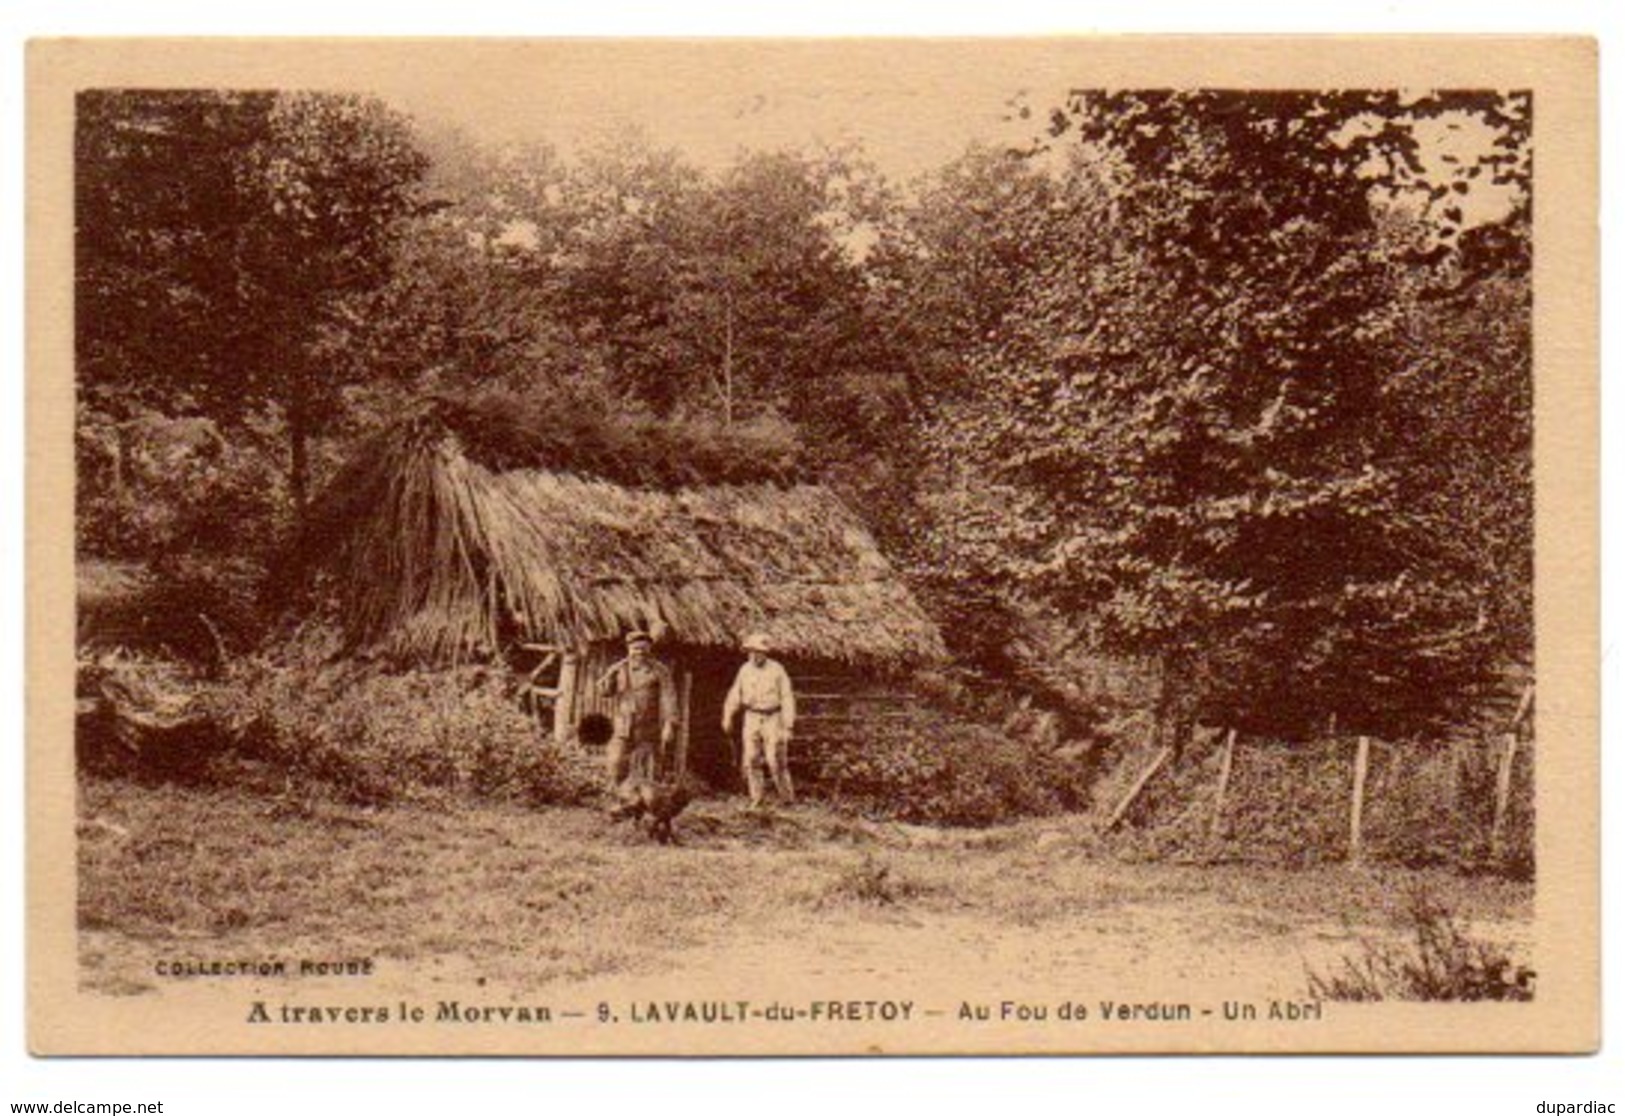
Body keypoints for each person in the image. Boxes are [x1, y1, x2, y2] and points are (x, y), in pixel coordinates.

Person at [597, 629, 679, 796]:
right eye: (635, 648)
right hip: (623, 724)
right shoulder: (620, 669)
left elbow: (669, 697)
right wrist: (609, 677)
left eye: (643, 648)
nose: (639, 652)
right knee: (616, 761)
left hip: (648, 726)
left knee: (648, 766)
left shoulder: (660, 671)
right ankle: (617, 798)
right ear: (629, 649)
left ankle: (645, 802)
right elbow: (605, 693)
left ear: (649, 650)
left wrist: (670, 723)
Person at [721, 632, 797, 808]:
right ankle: (757, 798)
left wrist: (788, 725)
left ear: (765, 653)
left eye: (758, 652)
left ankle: (787, 800)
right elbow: (734, 694)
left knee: (775, 760)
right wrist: (728, 716)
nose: (754, 655)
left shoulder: (777, 670)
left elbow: (787, 697)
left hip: (773, 717)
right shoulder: (745, 670)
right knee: (751, 759)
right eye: (751, 652)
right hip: (752, 717)